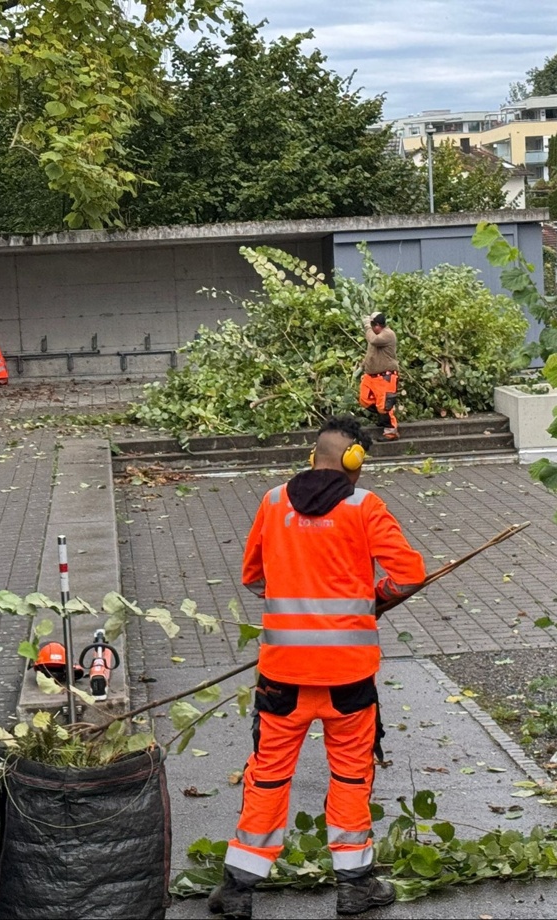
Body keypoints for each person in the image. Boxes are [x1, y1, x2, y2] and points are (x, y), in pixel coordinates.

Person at [208, 414, 427, 919]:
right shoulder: (364, 506)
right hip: (348, 678)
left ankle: (238, 889)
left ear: (313, 456)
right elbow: (409, 575)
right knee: (350, 778)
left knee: (267, 776)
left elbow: (253, 577)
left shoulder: (273, 502)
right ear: (355, 461)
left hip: (282, 676)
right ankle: (355, 887)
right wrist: (375, 599)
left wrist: (293, 591)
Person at [358, 311, 400, 441]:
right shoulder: (375, 335)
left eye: (372, 325)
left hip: (385, 377)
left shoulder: (387, 334)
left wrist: (367, 326)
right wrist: (363, 365)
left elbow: (373, 340)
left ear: (377, 325)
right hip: (371, 376)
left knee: (384, 405)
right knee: (364, 400)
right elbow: (371, 353)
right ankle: (383, 418)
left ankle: (391, 431)